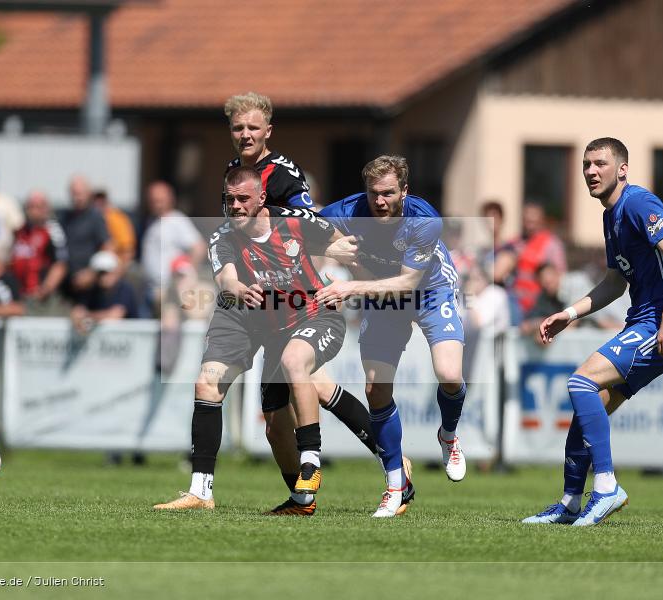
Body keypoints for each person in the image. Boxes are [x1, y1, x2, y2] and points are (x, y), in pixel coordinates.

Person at [209, 91, 385, 515]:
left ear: (268, 131)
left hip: (299, 301)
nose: (245, 134)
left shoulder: (282, 173)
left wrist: (341, 255)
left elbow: (313, 224)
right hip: (267, 308)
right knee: (276, 424)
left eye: (253, 127)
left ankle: (385, 464)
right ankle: (303, 497)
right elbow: (236, 236)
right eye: (238, 128)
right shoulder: (235, 173)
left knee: (306, 378)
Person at [521, 137, 663, 527]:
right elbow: (615, 282)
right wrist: (570, 313)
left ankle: (606, 488)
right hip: (645, 321)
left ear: (622, 169)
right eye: (586, 165)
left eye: (600, 163)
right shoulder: (610, 215)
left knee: (580, 382)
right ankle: (569, 502)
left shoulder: (638, 203)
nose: (590, 172)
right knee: (590, 406)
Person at [154, 167, 347, 514]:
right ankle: (202, 492)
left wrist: (349, 284)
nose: (236, 206)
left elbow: (340, 242)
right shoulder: (222, 236)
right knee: (207, 386)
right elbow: (227, 278)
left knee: (303, 400)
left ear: (262, 198)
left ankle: (388, 463)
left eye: (244, 199)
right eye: (230, 200)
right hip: (239, 313)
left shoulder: (292, 219)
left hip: (292, 319)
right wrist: (240, 289)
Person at [316, 155, 466, 517]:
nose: (379, 201)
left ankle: (448, 435)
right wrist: (331, 247)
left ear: (404, 191)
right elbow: (305, 226)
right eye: (373, 193)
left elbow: (406, 284)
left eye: (387, 193)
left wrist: (351, 284)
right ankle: (396, 486)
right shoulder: (349, 209)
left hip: (430, 291)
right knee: (375, 388)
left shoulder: (425, 220)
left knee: (449, 375)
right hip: (380, 295)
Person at [140, 181, 206, 315]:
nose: (156, 204)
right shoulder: (151, 221)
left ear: (170, 199)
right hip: (150, 289)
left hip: (168, 291)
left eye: (160, 200)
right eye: (153, 201)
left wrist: (187, 273)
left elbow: (199, 247)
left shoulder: (177, 220)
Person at [10, 190, 70, 315]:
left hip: (41, 299)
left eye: (39, 206)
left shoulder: (52, 230)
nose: (35, 211)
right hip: (21, 296)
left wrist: (45, 290)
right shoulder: (21, 232)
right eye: (31, 207)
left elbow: (60, 264)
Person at [61, 175, 113, 299]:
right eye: (74, 194)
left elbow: (107, 247)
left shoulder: (95, 217)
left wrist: (91, 273)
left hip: (89, 284)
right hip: (68, 282)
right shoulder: (65, 217)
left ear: (89, 194)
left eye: (80, 194)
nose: (77, 198)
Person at [511, 202, 567, 316]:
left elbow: (561, 275)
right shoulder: (515, 243)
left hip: (539, 305)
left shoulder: (552, 244)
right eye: (527, 221)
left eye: (534, 222)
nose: (529, 225)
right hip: (516, 302)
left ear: (542, 221)